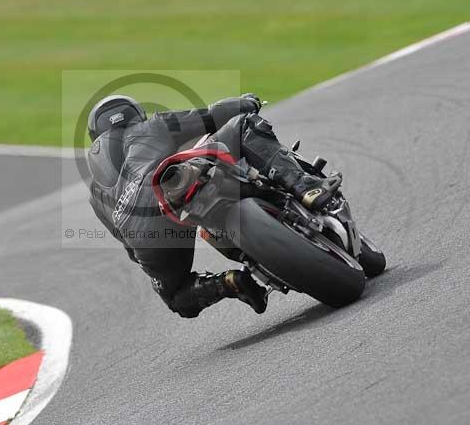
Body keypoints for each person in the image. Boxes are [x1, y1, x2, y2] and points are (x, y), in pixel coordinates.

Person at [85, 94, 342, 318]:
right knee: (243, 124)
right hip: (167, 191)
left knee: (176, 297)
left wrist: (150, 257)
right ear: (135, 115)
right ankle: (305, 187)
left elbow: (128, 247)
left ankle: (228, 283)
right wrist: (247, 102)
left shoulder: (95, 193)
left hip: (143, 235)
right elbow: (213, 115)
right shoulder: (150, 125)